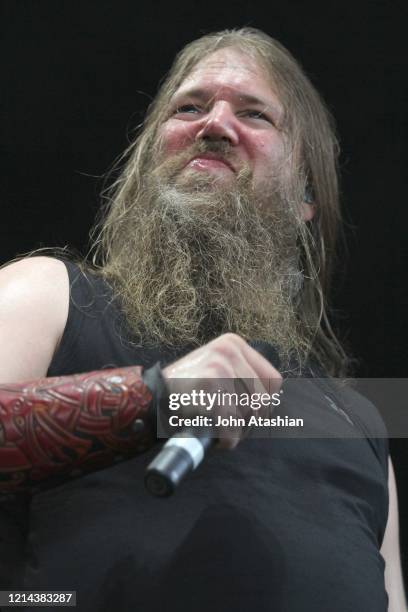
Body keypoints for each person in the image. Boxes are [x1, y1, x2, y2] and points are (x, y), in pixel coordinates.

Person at [0, 27, 405, 611]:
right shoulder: (50, 296)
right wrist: (148, 398)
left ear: (304, 197)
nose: (214, 125)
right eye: (189, 106)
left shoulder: (360, 423)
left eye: (256, 114)